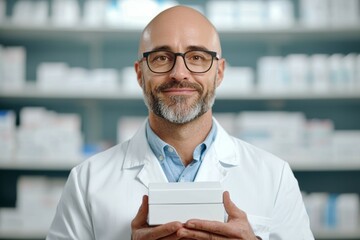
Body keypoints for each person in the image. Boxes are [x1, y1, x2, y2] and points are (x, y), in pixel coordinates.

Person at [47, 5, 314, 240]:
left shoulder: (274, 176)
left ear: (219, 72)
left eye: (197, 57)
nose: (179, 73)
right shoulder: (87, 181)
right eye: (162, 58)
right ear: (140, 74)